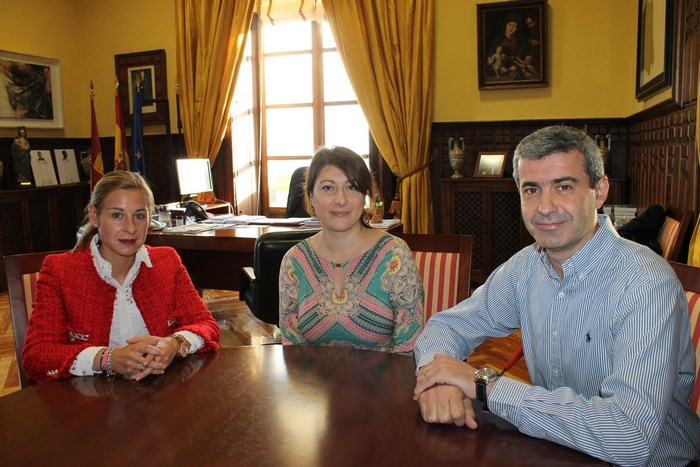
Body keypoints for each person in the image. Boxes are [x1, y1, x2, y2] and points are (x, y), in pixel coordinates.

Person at [413, 126, 699, 466]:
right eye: (531, 189)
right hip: (555, 448)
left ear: (600, 191)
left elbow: (629, 438)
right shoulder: (525, 266)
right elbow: (446, 327)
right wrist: (438, 383)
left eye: (563, 186)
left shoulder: (646, 284)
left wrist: (481, 385)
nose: (545, 207)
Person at [22, 171, 220, 382]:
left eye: (139, 215)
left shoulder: (167, 261)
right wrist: (107, 358)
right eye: (117, 215)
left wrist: (175, 343)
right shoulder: (60, 270)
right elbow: (37, 356)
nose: (130, 228)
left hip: (162, 398)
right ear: (94, 216)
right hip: (89, 403)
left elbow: (207, 325)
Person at [278, 146, 424, 354]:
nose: (340, 199)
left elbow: (408, 347)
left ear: (364, 195)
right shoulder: (294, 261)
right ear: (310, 196)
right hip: (312, 384)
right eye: (328, 188)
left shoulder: (394, 255)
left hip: (385, 383)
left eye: (351, 187)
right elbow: (292, 348)